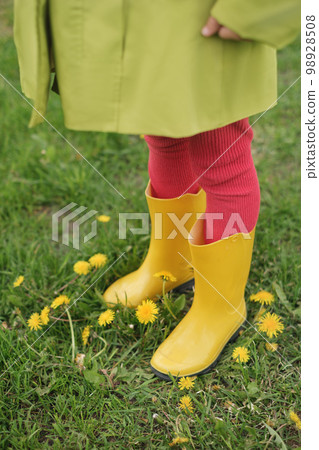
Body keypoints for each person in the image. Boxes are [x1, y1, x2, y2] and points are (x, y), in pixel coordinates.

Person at [14, 0, 300, 380]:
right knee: (163, 127)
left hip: (204, 13)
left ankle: (220, 305)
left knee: (219, 148)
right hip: (150, 17)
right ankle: (173, 265)